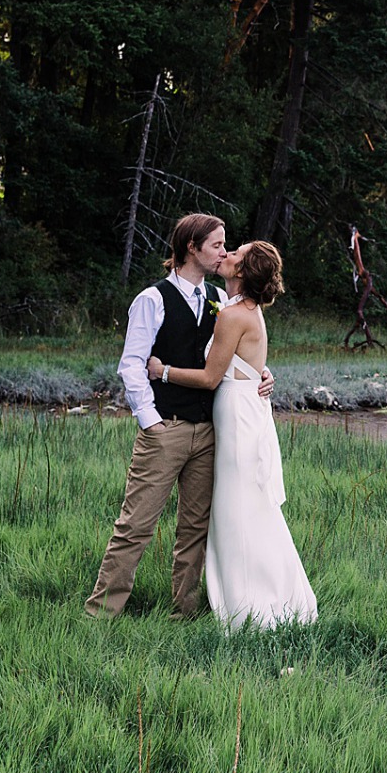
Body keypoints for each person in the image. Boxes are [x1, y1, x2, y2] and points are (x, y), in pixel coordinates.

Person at [84, 213, 274, 620]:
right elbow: (131, 366)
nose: (224, 251)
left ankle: (184, 611)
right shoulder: (152, 299)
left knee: (194, 530)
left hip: (210, 433)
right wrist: (149, 420)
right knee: (135, 526)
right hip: (164, 429)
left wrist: (264, 373)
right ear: (192, 248)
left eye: (226, 245)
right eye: (217, 245)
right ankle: (101, 613)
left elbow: (239, 353)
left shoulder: (222, 301)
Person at [149, 240, 316, 631]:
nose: (226, 255)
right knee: (242, 506)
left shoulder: (234, 314)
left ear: (242, 271)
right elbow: (245, 362)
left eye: (235, 254)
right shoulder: (240, 308)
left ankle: (247, 607)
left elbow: (210, 377)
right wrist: (263, 372)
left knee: (237, 508)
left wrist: (163, 371)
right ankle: (259, 594)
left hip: (237, 415)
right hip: (240, 409)